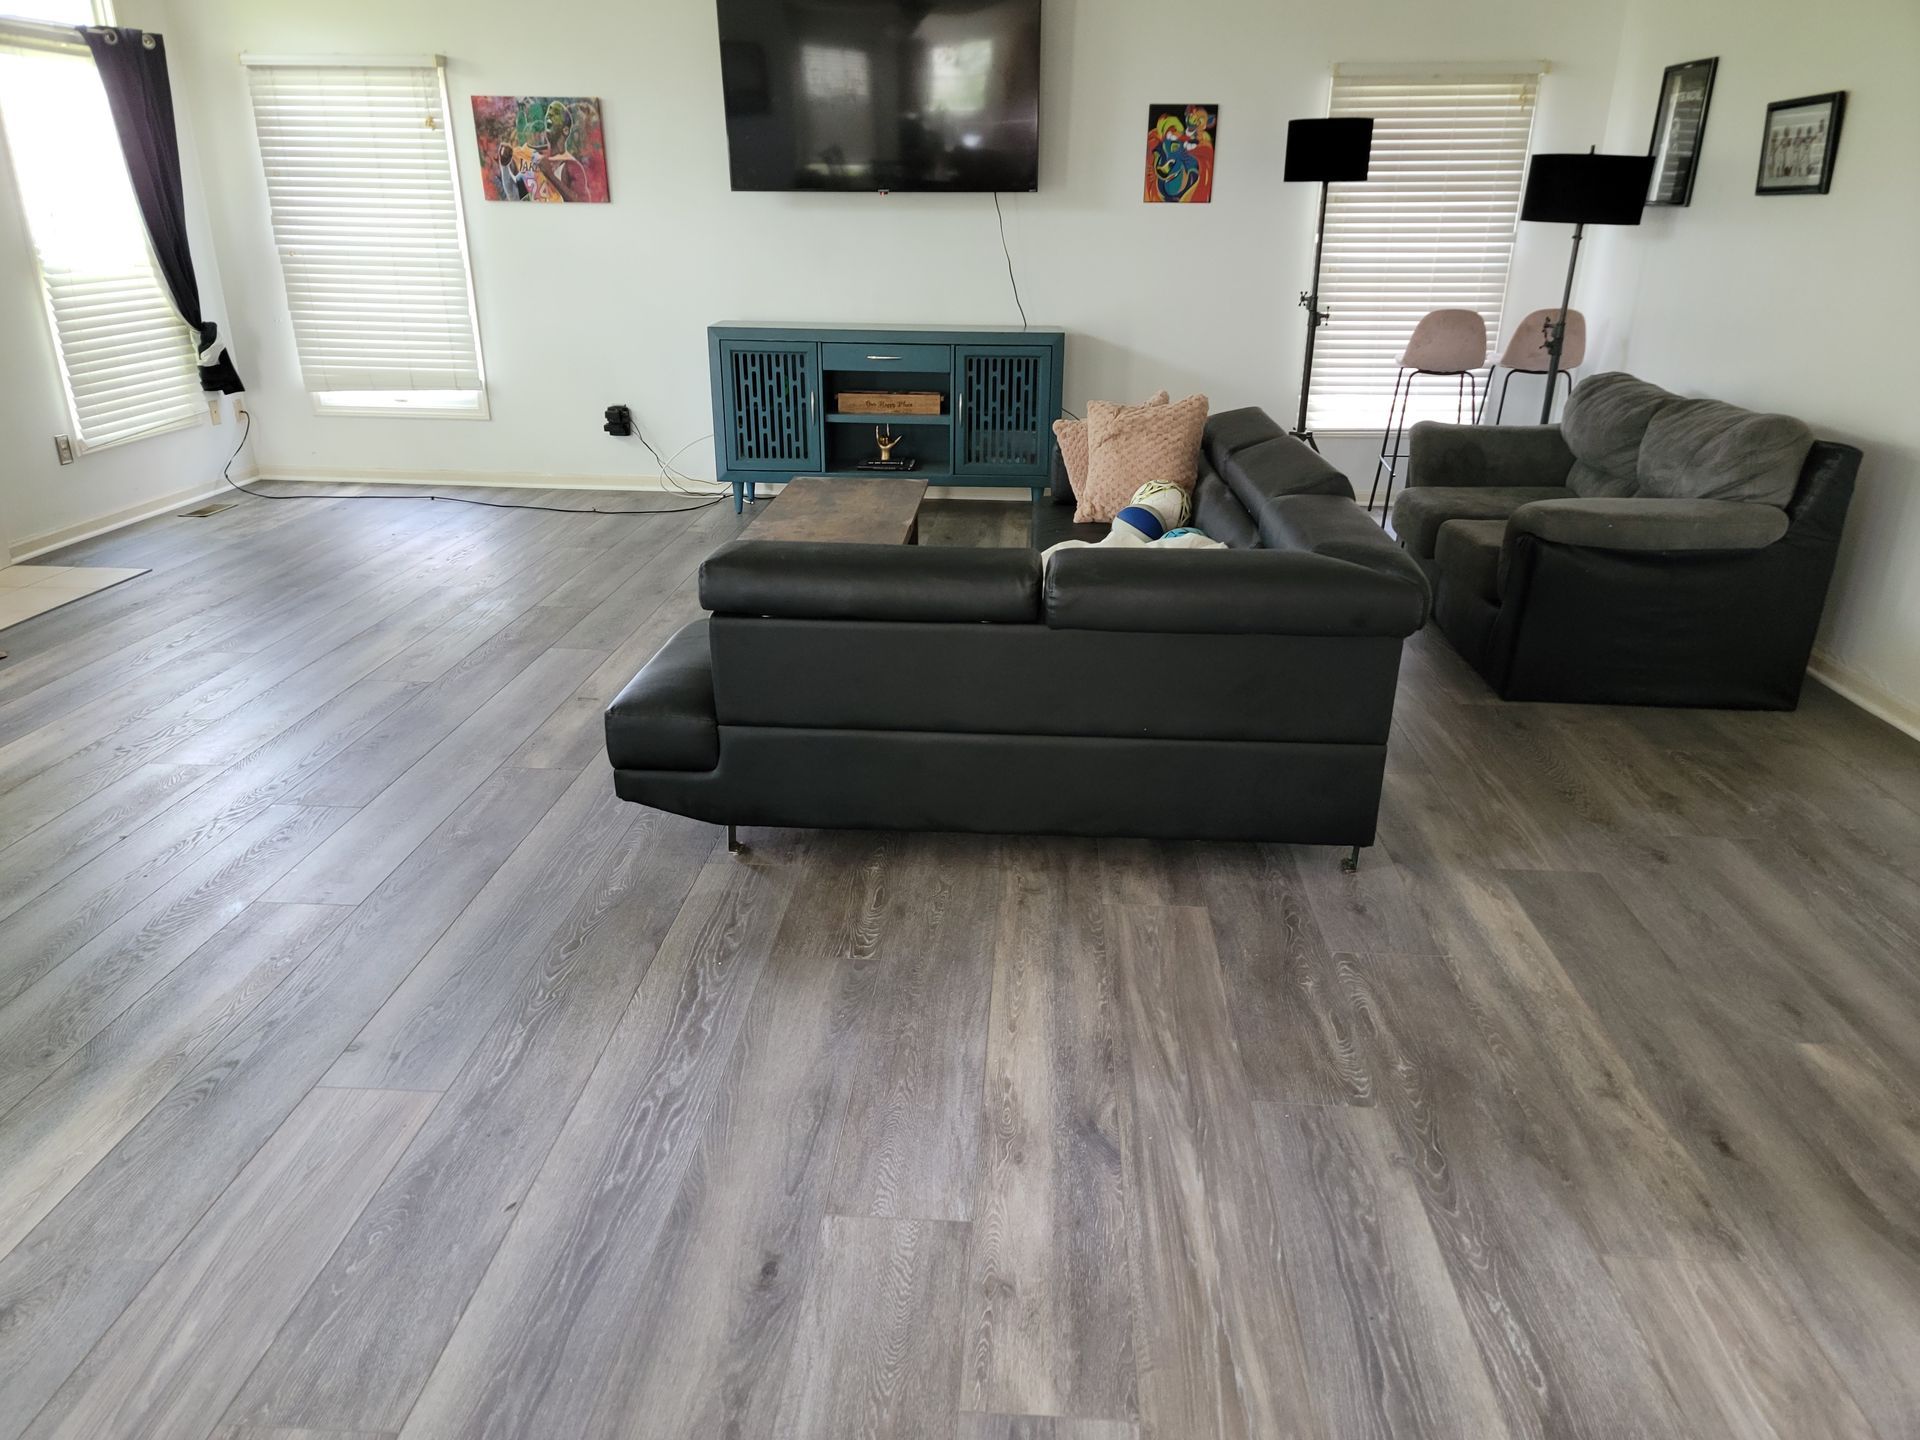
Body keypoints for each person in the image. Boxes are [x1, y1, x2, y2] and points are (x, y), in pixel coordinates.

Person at [530, 100, 590, 203]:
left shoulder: (572, 166)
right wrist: (506, 167)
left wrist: (550, 175)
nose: (549, 114)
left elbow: (582, 203)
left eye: (556, 113)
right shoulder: (534, 157)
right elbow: (517, 195)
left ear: (565, 130)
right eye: (549, 111)